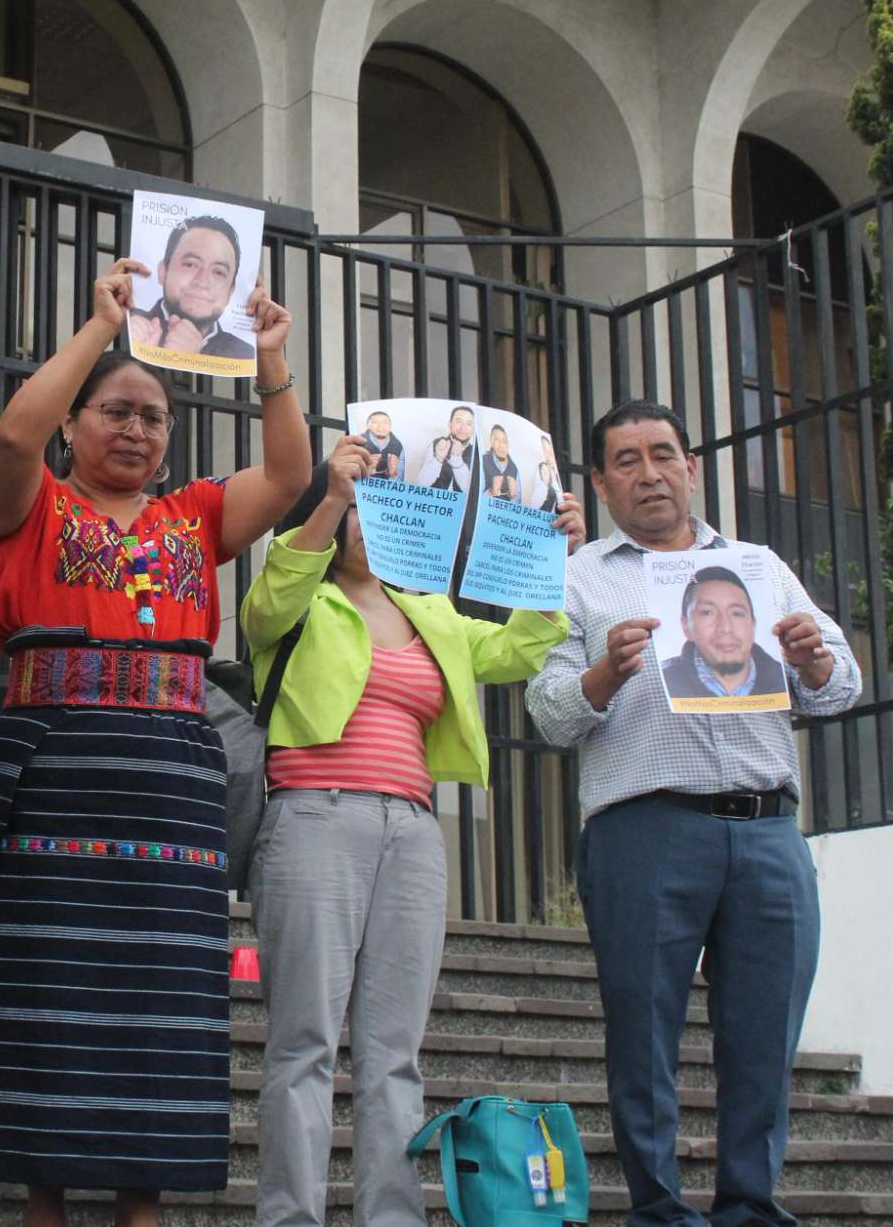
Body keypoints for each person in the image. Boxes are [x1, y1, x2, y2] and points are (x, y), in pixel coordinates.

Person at [0, 256, 312, 1226]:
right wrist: (103, 327)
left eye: (153, 417)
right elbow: (8, 435)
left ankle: (142, 1205)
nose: (136, 429)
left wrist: (271, 360)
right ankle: (44, 1202)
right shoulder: (31, 506)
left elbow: (287, 475)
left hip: (170, 783)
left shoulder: (194, 516)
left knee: (158, 996)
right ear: (72, 424)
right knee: (46, 984)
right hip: (55, 770)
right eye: (115, 411)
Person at [525, 398, 859, 1227]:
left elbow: (842, 682)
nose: (649, 473)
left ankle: (750, 1204)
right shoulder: (576, 577)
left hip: (769, 829)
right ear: (601, 482)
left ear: (693, 467)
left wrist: (814, 661)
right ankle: (660, 1209)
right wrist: (605, 672)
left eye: (663, 454)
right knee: (643, 1034)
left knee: (765, 1033)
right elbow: (549, 712)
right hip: (645, 829)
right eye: (627, 460)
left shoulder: (758, 566)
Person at [246, 435, 582, 1227]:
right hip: (315, 816)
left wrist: (550, 555)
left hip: (412, 833)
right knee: (304, 1041)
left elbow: (522, 646)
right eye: (358, 510)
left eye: (383, 509)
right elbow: (268, 603)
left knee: (394, 1054)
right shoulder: (299, 595)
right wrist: (333, 491)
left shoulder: (433, 613)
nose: (371, 522)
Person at [126, 214, 254, 362]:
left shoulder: (245, 355)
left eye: (219, 272)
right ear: (163, 271)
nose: (203, 281)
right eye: (190, 264)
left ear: (231, 291)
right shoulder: (125, 324)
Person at [659, 566, 788, 700]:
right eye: (707, 612)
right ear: (685, 626)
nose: (726, 628)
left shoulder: (783, 676)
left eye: (736, 613)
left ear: (753, 624)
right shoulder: (661, 682)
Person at [357, 409, 402, 478]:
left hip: (386, 484)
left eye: (385, 422)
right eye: (375, 422)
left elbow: (401, 479)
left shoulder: (398, 446)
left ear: (390, 425)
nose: (380, 426)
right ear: (368, 425)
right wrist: (365, 471)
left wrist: (393, 474)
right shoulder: (357, 442)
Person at [481, 424, 519, 501]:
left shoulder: (514, 468)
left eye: (504, 441)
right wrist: (491, 492)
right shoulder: (483, 460)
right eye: (496, 440)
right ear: (491, 442)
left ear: (508, 444)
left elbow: (519, 500)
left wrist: (513, 496)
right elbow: (474, 495)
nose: (501, 445)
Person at [533, 436, 562, 512]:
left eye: (550, 451)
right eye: (545, 451)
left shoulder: (556, 474)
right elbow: (535, 502)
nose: (549, 455)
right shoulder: (541, 470)